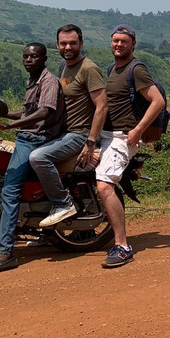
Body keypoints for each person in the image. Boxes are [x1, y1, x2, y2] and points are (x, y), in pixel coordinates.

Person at [0, 43, 64, 274]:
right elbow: (28, 113)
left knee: (10, 190)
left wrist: (8, 125)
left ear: (44, 59)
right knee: (2, 181)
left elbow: (44, 112)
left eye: (34, 56)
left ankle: (5, 253)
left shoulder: (48, 81)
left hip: (38, 139)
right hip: (26, 137)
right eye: (25, 56)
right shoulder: (33, 80)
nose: (28, 60)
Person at [97, 24, 167, 268]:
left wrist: (138, 130)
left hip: (123, 137)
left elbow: (157, 101)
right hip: (105, 134)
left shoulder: (136, 69)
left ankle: (123, 246)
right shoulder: (113, 68)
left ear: (133, 44)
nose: (118, 45)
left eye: (123, 41)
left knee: (105, 185)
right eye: (115, 41)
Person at [29, 24, 107, 228]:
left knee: (38, 157)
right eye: (63, 43)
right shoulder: (64, 67)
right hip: (65, 132)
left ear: (81, 43)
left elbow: (102, 106)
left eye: (73, 43)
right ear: (57, 45)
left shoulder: (89, 68)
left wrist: (90, 142)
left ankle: (62, 204)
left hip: (80, 134)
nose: (68, 47)